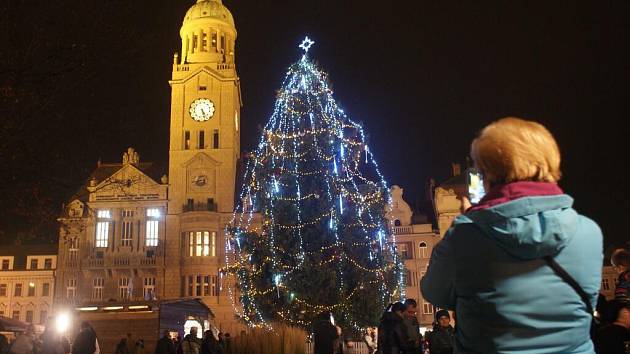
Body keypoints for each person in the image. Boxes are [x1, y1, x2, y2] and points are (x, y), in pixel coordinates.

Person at [421, 117, 603, 353]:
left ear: (487, 171)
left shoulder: (465, 235)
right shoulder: (588, 231)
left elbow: (434, 292)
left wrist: (468, 222)